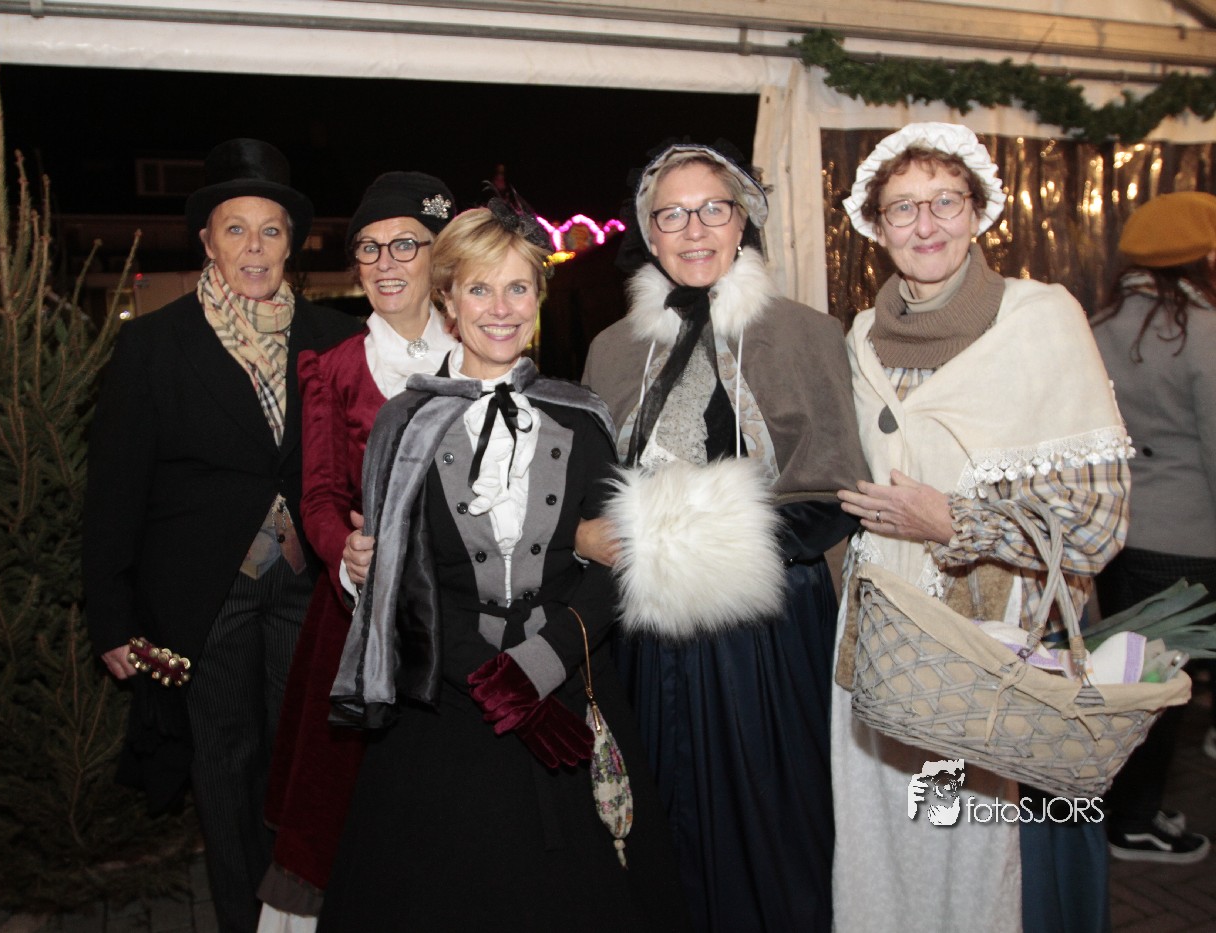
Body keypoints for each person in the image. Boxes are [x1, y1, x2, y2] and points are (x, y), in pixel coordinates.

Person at [319, 204, 691, 932]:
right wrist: (492, 679)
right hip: (448, 702)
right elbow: (402, 581)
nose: (501, 308)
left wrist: (540, 665)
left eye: (518, 288)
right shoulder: (402, 423)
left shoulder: (582, 416)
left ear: (538, 298)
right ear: (448, 302)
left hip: (569, 683)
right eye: (480, 289)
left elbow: (618, 563)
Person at [832, 122, 1131, 933]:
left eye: (945, 201)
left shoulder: (1039, 317)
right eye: (903, 208)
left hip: (990, 655)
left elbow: (1100, 526)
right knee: (884, 849)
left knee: (972, 855)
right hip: (881, 644)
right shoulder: (861, 336)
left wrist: (951, 520)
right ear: (875, 225)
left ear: (978, 210)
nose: (925, 225)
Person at [579, 140, 869, 933]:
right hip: (648, 635)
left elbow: (837, 489)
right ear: (649, 231)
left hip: (768, 630)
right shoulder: (611, 348)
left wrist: (704, 538)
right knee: (663, 813)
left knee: (775, 822)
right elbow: (596, 484)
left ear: (745, 220)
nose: (695, 229)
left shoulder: (807, 333)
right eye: (672, 214)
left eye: (714, 208)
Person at [82, 138, 361, 933]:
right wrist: (112, 618)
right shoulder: (152, 345)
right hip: (206, 597)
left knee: (303, 762)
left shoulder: (335, 337)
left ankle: (306, 913)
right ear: (207, 240)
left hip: (311, 591)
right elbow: (114, 494)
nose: (254, 247)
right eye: (236, 229)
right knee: (225, 763)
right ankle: (245, 920)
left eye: (271, 230)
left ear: (292, 242)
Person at [256, 171, 458, 931]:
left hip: (464, 617)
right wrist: (346, 552)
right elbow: (316, 497)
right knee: (348, 812)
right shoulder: (334, 367)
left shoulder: (482, 350)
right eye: (368, 248)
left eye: (404, 243)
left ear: (439, 255)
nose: (384, 262)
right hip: (359, 622)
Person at [1091, 190, 1216, 865]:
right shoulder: (1204, 331)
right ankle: (1134, 822)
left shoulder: (1099, 322)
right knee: (1164, 691)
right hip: (1187, 539)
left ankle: (1124, 804)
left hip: (1118, 533)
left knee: (1129, 680)